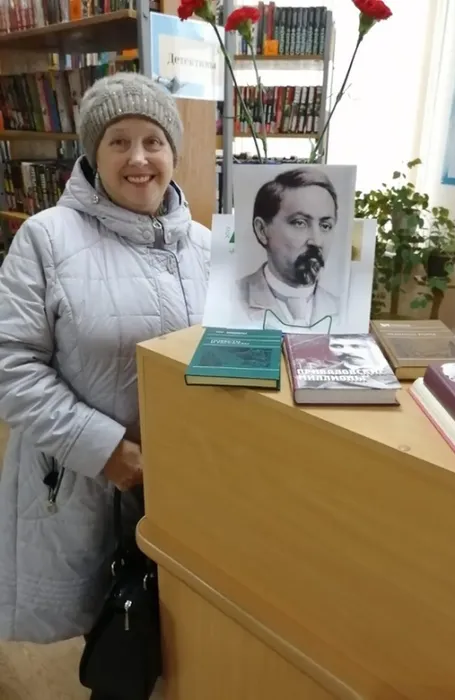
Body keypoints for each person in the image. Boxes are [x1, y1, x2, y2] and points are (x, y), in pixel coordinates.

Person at [0, 73, 210, 669]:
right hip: (87, 477)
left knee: (186, 632)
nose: (138, 159)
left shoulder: (206, 246)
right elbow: (11, 366)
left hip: (192, 478)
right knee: (115, 632)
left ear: (173, 153)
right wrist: (108, 451)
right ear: (94, 154)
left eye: (153, 141)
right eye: (119, 142)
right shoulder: (46, 238)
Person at [237, 168, 340, 328]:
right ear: (262, 230)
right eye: (300, 223)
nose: (317, 241)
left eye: (325, 226)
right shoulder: (231, 298)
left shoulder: (343, 309)